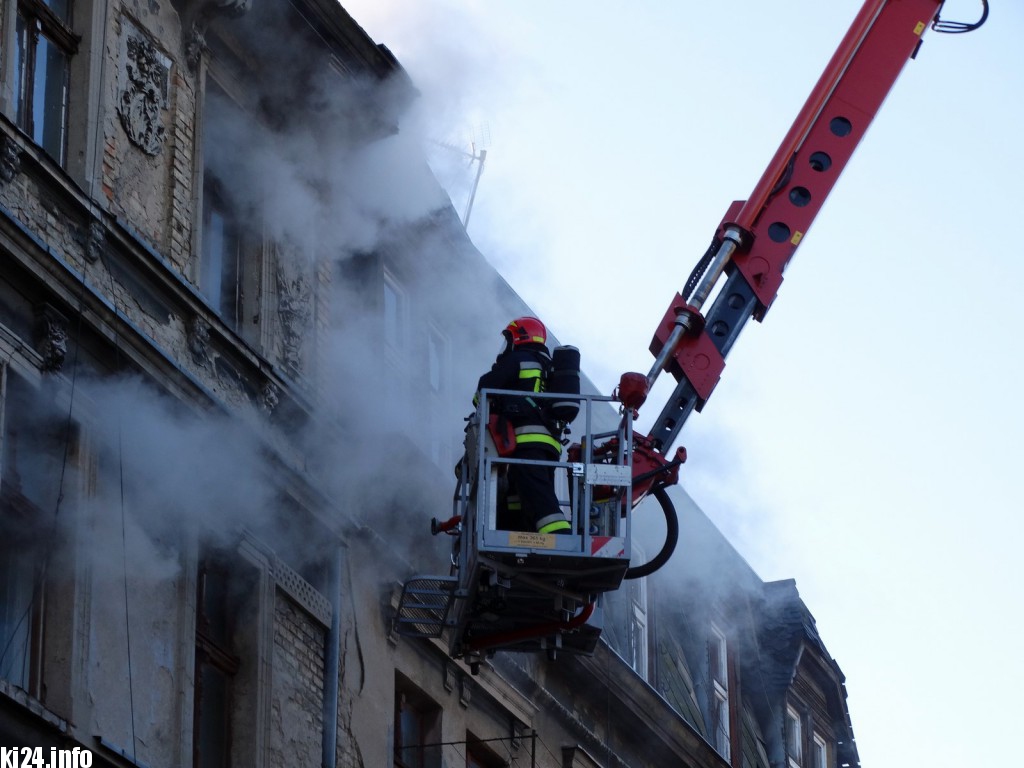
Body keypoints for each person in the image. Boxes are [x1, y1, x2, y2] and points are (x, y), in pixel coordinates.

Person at [474, 317, 571, 534]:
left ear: (520, 336)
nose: (506, 345)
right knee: (520, 491)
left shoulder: (518, 359)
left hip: (528, 439)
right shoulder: (548, 366)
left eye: (508, 339)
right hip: (548, 443)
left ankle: (558, 533)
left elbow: (486, 387)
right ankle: (518, 530)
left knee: (537, 492)